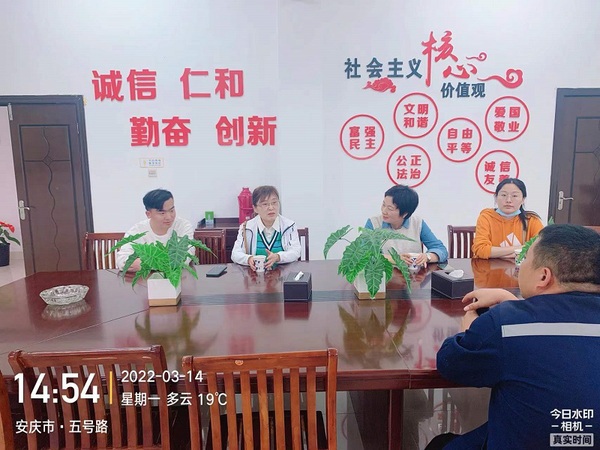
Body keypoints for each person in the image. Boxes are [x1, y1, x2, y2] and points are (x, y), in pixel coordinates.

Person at [427, 224, 600, 449]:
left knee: (441, 444)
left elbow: (450, 363)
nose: (520, 266)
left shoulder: (506, 324)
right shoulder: (512, 321)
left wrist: (468, 330)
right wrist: (513, 303)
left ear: (544, 276)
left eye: (524, 258)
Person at [365, 184, 448, 266]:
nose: (384, 211)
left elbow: (441, 250)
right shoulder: (373, 223)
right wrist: (395, 259)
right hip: (384, 273)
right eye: (383, 205)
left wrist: (427, 257)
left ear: (405, 214)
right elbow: (364, 254)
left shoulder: (417, 223)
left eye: (390, 208)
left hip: (413, 273)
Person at [116, 189, 194, 272]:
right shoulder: (137, 230)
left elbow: (185, 257)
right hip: (145, 279)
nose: (169, 217)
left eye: (172, 210)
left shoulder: (183, 226)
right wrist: (163, 263)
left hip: (178, 278)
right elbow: (123, 261)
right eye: (162, 213)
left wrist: (147, 264)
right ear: (148, 214)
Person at [231, 185, 301, 270]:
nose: (271, 208)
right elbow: (235, 254)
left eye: (274, 202)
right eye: (265, 204)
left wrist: (278, 257)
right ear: (255, 208)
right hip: (255, 276)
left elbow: (296, 251)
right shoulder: (246, 228)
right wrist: (248, 259)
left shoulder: (289, 225)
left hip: (284, 275)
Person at [472, 178, 543, 259]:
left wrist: (498, 253)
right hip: (489, 266)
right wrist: (520, 249)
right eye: (503, 195)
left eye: (514, 196)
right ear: (496, 197)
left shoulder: (531, 220)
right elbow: (481, 250)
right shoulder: (486, 217)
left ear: (523, 199)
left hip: (521, 266)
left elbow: (540, 249)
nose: (508, 200)